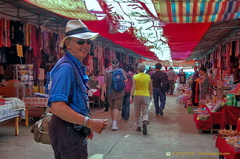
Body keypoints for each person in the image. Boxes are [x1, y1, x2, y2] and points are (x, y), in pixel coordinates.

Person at [48, 19, 107, 159]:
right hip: (66, 129)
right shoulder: (66, 68)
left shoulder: (75, 66)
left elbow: (76, 102)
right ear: (68, 44)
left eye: (88, 42)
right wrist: (89, 122)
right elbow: (56, 107)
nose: (86, 45)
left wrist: (85, 125)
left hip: (72, 128)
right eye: (80, 41)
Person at [101, 59, 127, 131]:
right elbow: (126, 80)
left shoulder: (107, 72)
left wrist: (102, 94)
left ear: (111, 64)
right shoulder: (121, 71)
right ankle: (114, 124)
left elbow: (104, 84)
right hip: (119, 92)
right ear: (118, 64)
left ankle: (113, 121)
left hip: (109, 93)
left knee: (111, 107)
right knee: (117, 108)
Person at [130, 63, 152, 135]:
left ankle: (139, 126)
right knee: (145, 110)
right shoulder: (148, 77)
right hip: (146, 94)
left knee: (137, 111)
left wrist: (131, 95)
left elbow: (133, 87)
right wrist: (151, 95)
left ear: (138, 69)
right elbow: (150, 87)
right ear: (145, 69)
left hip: (137, 95)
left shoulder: (135, 76)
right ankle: (145, 120)